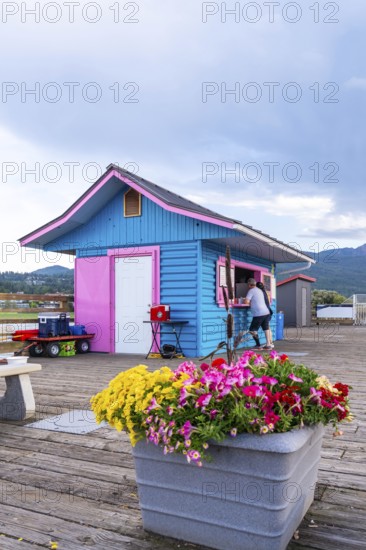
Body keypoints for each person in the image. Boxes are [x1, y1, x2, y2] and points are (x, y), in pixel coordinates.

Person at [244, 278, 272, 350]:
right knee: (266, 328)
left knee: (252, 330)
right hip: (266, 312)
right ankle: (268, 345)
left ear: (249, 284)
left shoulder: (251, 291)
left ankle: (258, 345)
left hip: (259, 313)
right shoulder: (260, 290)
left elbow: (246, 302)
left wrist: (250, 302)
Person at [256, 281, 274, 348]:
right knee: (268, 327)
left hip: (265, 312)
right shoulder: (264, 292)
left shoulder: (260, 293)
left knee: (267, 328)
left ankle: (269, 343)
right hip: (268, 311)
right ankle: (270, 342)